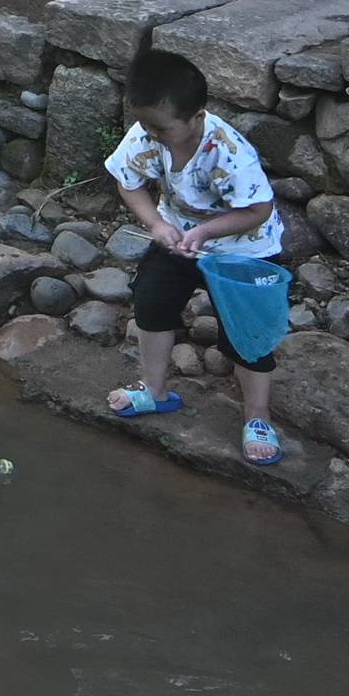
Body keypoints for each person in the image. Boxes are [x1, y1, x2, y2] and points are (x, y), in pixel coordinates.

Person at [100, 45, 296, 466]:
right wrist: (155, 223)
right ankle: (154, 390)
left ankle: (257, 417)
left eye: (161, 128)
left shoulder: (227, 152)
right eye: (144, 125)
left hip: (244, 249)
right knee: (151, 303)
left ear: (196, 117)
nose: (150, 134)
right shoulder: (149, 132)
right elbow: (128, 181)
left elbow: (257, 209)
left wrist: (206, 231)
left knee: (248, 337)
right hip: (177, 239)